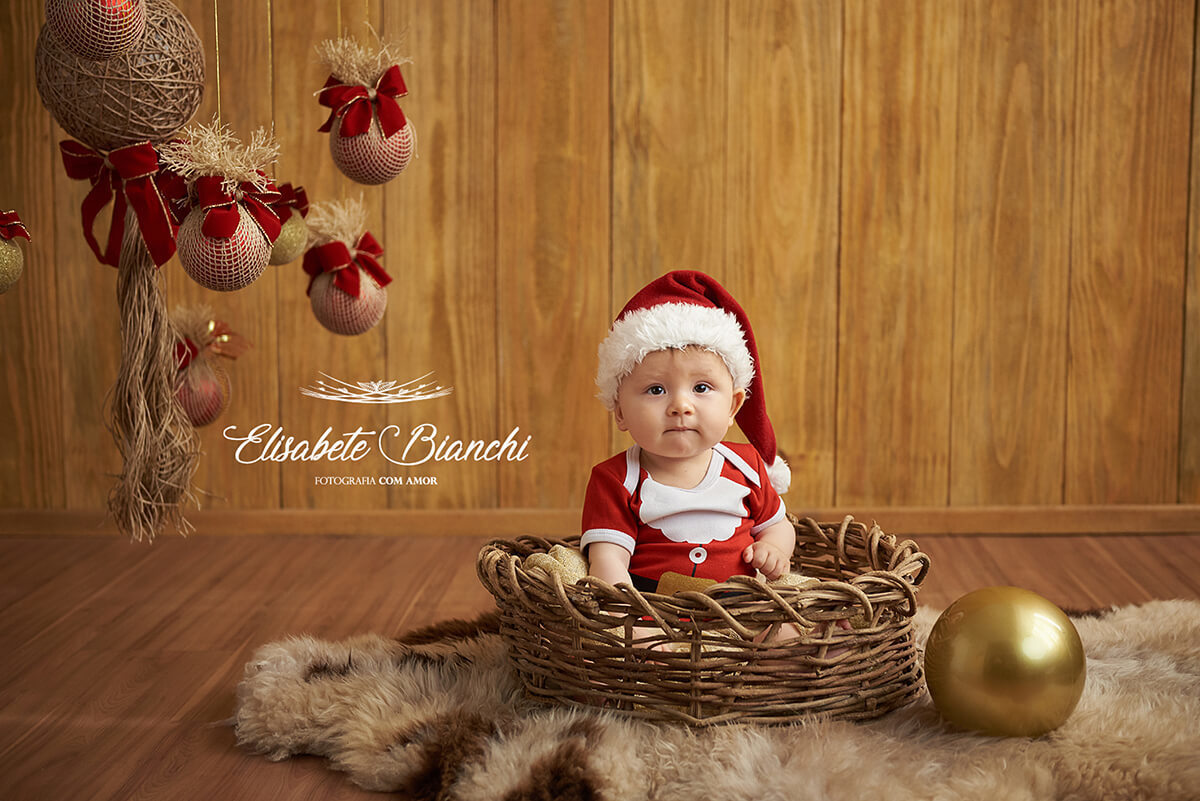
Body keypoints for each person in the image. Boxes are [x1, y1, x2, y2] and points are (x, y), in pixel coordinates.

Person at [581, 270, 796, 596]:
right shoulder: (616, 479)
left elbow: (778, 525)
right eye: (655, 389)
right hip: (659, 618)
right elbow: (608, 559)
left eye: (701, 387)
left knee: (785, 628)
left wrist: (775, 550)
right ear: (620, 411)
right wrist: (629, 618)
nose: (680, 406)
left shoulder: (747, 465)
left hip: (742, 610)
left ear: (733, 406)